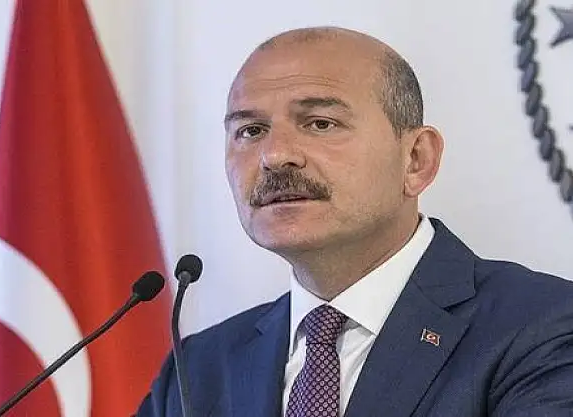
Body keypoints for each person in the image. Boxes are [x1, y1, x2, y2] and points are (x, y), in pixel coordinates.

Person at [135, 26, 573, 417]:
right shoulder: (198, 368)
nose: (275, 155)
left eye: (320, 123)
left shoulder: (545, 327)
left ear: (416, 160)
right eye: (251, 131)